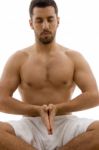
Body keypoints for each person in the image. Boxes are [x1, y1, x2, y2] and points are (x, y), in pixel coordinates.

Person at [0, 0, 99, 149]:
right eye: (39, 20)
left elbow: (93, 96)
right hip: (30, 124)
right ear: (31, 23)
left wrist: (58, 109)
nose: (45, 26)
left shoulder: (73, 57)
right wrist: (36, 110)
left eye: (50, 19)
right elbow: (2, 100)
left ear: (57, 21)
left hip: (65, 123)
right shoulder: (19, 58)